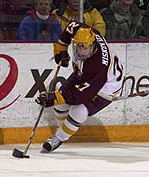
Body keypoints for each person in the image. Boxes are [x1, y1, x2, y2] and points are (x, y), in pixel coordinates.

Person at [35, 21, 124, 153]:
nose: (81, 51)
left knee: (79, 111)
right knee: (60, 105)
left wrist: (54, 98)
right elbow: (72, 25)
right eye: (78, 47)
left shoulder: (98, 66)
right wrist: (61, 46)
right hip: (84, 74)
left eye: (85, 48)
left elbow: (82, 94)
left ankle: (59, 138)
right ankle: (64, 128)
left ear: (93, 46)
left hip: (106, 88)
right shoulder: (84, 32)